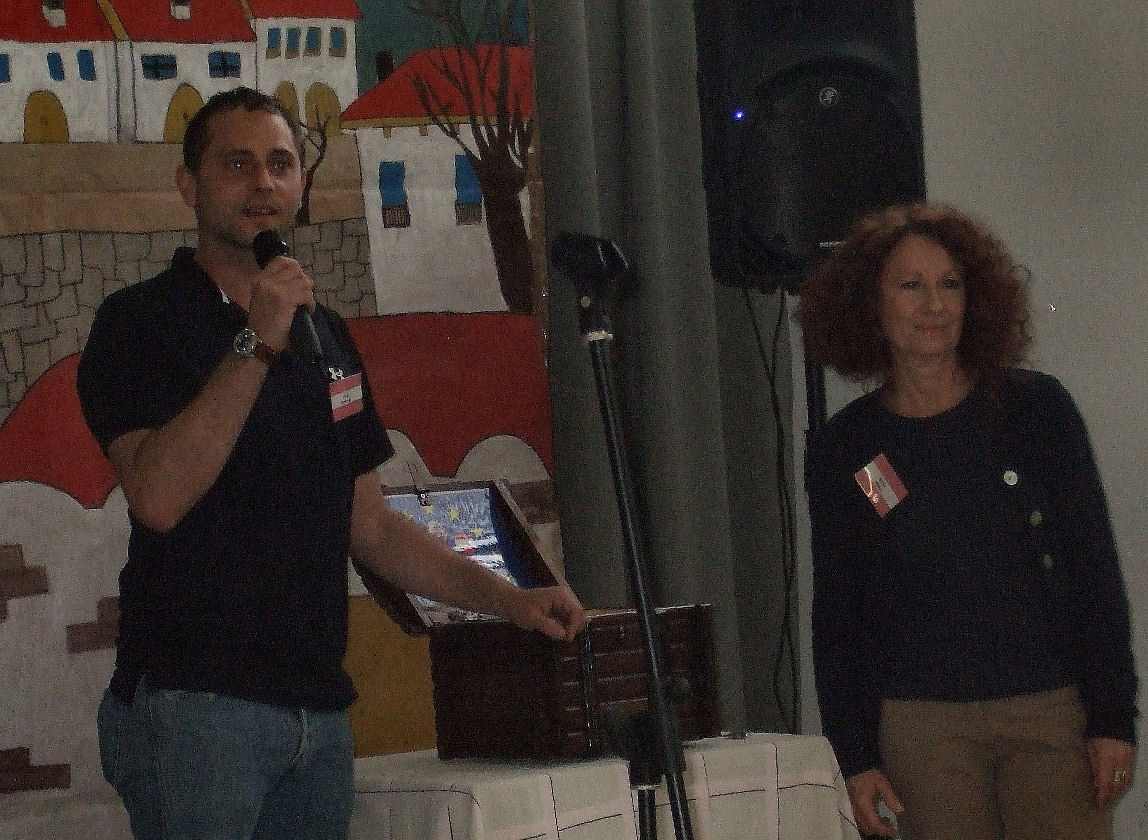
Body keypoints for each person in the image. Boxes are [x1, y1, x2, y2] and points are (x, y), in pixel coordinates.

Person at [75, 86, 586, 840]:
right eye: (237, 165)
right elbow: (157, 496)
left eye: (281, 164)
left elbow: (370, 526)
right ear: (189, 186)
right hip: (195, 707)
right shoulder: (138, 322)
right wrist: (257, 341)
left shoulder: (327, 336)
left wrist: (509, 601)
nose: (263, 183)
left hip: (317, 715)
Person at [795, 203, 1137, 840]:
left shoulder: (1037, 411)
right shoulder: (851, 447)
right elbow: (840, 608)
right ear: (870, 304)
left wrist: (1114, 718)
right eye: (911, 285)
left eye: (949, 284)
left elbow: (1094, 568)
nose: (933, 305)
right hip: (923, 729)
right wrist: (856, 755)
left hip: (1048, 716)